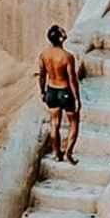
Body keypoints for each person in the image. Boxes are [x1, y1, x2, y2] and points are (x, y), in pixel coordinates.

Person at [38, 24, 81, 164]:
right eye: (62, 30)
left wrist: (42, 91)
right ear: (61, 38)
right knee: (74, 122)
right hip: (64, 91)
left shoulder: (44, 55)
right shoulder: (67, 57)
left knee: (54, 123)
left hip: (51, 90)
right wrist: (77, 99)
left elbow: (42, 76)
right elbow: (72, 80)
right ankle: (68, 152)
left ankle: (56, 153)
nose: (65, 30)